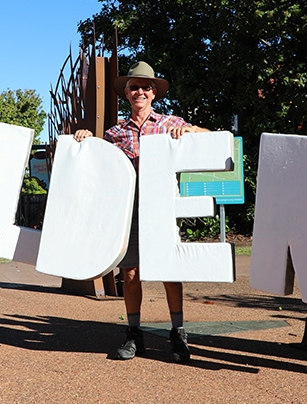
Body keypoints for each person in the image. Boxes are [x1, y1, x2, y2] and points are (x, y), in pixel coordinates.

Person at [75, 62, 208, 363]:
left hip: (162, 206)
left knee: (169, 270)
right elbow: (98, 164)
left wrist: (191, 130)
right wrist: (85, 139)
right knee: (130, 271)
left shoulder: (169, 123)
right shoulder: (114, 133)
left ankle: (178, 334)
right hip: (128, 208)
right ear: (126, 93)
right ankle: (134, 334)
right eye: (134, 87)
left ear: (154, 93)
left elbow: (210, 137)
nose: (140, 92)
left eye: (146, 87)